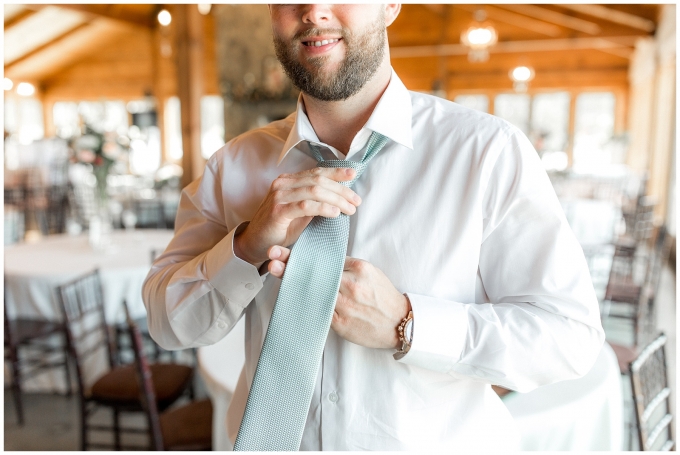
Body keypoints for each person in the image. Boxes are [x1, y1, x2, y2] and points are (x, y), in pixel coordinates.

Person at [143, 4, 604, 451]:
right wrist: (245, 247)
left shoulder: (487, 154)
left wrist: (407, 323)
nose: (313, 11)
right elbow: (169, 324)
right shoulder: (233, 166)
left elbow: (569, 337)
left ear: (391, 6)